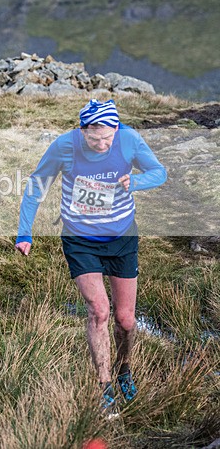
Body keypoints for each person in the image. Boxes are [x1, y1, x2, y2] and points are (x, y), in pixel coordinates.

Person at [15, 99, 166, 415]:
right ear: (82, 131)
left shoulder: (128, 140)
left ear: (116, 129)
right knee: (99, 310)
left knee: (125, 319)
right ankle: (105, 385)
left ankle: (125, 369)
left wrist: (135, 181)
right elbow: (36, 185)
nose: (101, 144)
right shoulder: (65, 147)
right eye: (94, 138)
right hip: (80, 240)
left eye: (107, 138)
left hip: (123, 238)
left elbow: (159, 172)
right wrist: (24, 232)